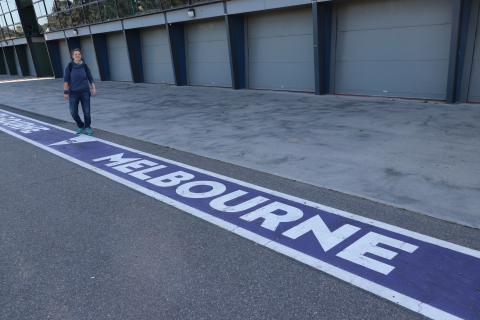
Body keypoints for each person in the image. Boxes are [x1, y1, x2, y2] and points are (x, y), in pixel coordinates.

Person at [63, 48, 97, 135]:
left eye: (79, 54)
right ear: (72, 56)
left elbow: (90, 78)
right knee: (73, 112)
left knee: (87, 111)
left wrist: (93, 88)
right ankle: (81, 125)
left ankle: (88, 127)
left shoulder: (84, 65)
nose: (77, 56)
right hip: (73, 93)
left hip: (85, 92)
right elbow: (66, 80)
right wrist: (66, 92)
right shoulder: (70, 66)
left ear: (81, 55)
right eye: (75, 54)